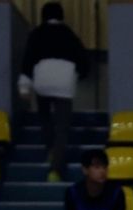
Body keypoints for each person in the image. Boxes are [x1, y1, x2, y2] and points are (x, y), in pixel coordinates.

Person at [20, 2, 90, 181]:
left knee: (45, 119)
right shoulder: (69, 34)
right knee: (62, 128)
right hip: (64, 83)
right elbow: (83, 59)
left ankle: (51, 150)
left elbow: (28, 60)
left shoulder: (37, 33)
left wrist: (24, 87)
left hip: (42, 80)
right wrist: (79, 75)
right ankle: (55, 170)